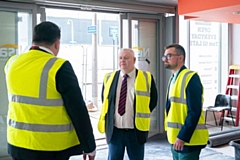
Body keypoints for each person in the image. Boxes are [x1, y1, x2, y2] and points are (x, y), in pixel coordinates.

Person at [4, 21, 96, 160]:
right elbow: (77, 109)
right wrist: (89, 146)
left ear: (34, 40)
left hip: (17, 144)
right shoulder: (59, 66)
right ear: (57, 43)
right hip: (50, 148)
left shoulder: (12, 62)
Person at [98, 48, 158, 160]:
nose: (122, 60)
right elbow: (105, 100)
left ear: (134, 60)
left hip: (135, 132)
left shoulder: (146, 78)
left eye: (126, 58)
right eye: (120, 58)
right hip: (115, 131)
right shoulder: (109, 77)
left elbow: (153, 101)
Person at [162, 43, 209, 160]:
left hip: (188, 140)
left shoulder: (191, 77)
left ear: (180, 58)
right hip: (175, 138)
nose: (165, 59)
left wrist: (182, 137)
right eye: (164, 57)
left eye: (169, 56)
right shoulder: (173, 78)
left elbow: (194, 111)